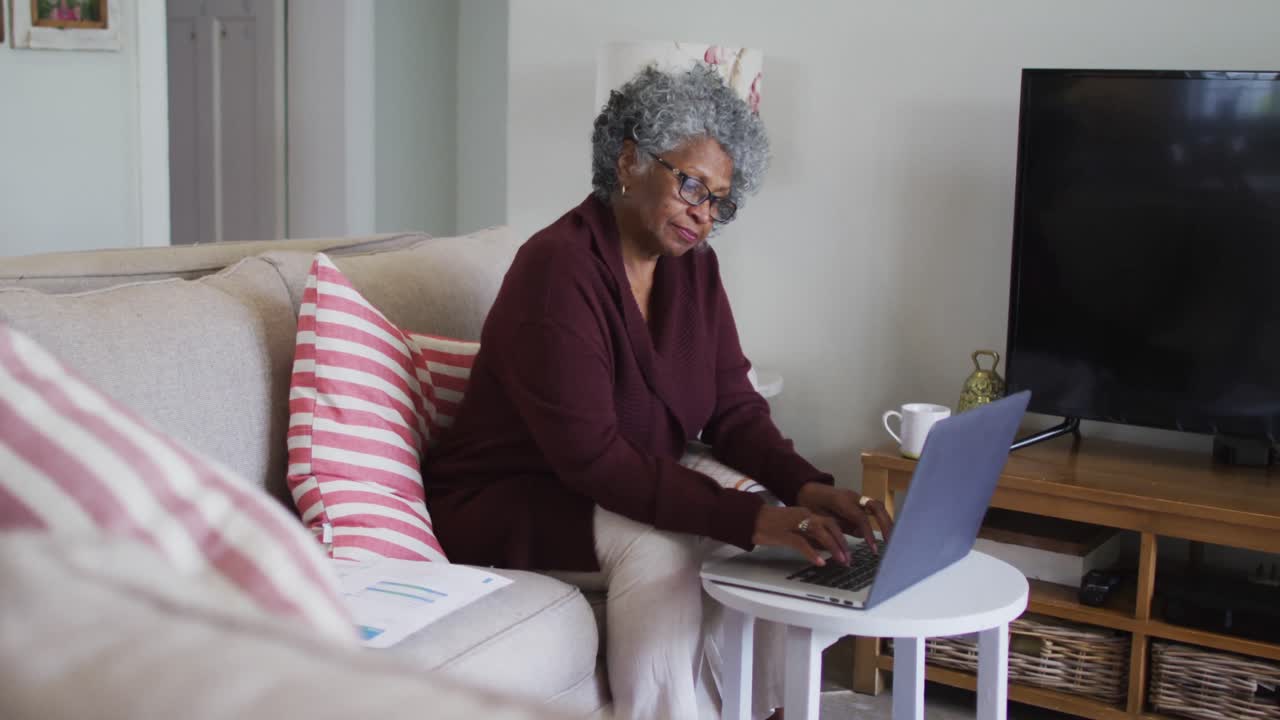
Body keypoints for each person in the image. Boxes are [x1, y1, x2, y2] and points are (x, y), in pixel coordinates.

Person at [424, 64, 894, 720]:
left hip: (599, 491)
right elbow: (593, 459)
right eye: (693, 184)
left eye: (720, 200)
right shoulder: (557, 270)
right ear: (628, 160)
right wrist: (753, 519)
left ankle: (761, 710)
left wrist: (806, 488)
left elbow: (733, 406)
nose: (705, 213)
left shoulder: (694, 270)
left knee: (753, 525)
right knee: (664, 544)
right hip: (504, 499)